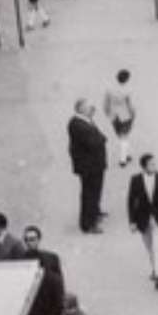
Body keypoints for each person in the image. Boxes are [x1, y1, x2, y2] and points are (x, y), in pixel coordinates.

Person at [127, 152, 158, 290]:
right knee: (150, 247)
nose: (155, 166)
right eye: (152, 164)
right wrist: (132, 221)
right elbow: (130, 201)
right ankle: (155, 268)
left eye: (155, 163)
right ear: (144, 166)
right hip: (143, 219)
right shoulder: (135, 180)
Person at [67, 98, 108, 235]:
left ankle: (95, 212)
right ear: (81, 109)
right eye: (89, 107)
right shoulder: (78, 125)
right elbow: (94, 142)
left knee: (95, 191)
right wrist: (103, 139)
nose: (92, 108)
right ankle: (88, 224)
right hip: (89, 166)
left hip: (93, 164)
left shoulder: (85, 120)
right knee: (90, 193)